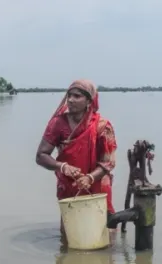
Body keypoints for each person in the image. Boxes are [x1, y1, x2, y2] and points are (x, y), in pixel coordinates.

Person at [35, 79, 117, 240]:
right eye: (69, 95)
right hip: (69, 185)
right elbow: (41, 155)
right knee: (70, 235)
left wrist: (90, 177)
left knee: (104, 234)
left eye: (77, 96)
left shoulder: (102, 126)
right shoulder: (58, 123)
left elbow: (108, 162)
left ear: (88, 101)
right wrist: (62, 166)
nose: (71, 100)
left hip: (97, 185)